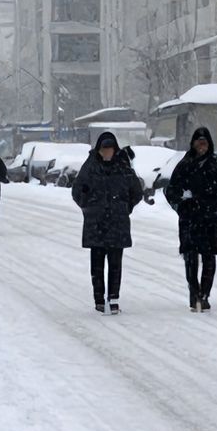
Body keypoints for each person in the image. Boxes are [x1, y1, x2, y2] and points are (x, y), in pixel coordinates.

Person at [72, 132, 143, 315]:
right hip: (96, 223)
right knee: (97, 264)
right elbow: (78, 191)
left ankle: (113, 298)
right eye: (104, 149)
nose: (107, 153)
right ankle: (98, 298)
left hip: (117, 223)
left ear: (114, 149)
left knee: (115, 264)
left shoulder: (123, 167)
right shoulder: (90, 167)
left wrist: (125, 206)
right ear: (99, 150)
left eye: (110, 149)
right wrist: (88, 205)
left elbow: (136, 191)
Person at [164, 127, 217, 312]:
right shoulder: (185, 164)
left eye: (204, 142)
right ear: (193, 144)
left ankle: (205, 295)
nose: (201, 146)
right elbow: (171, 190)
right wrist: (180, 204)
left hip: (211, 219)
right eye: (198, 142)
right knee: (190, 258)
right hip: (190, 219)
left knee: (209, 258)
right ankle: (194, 293)